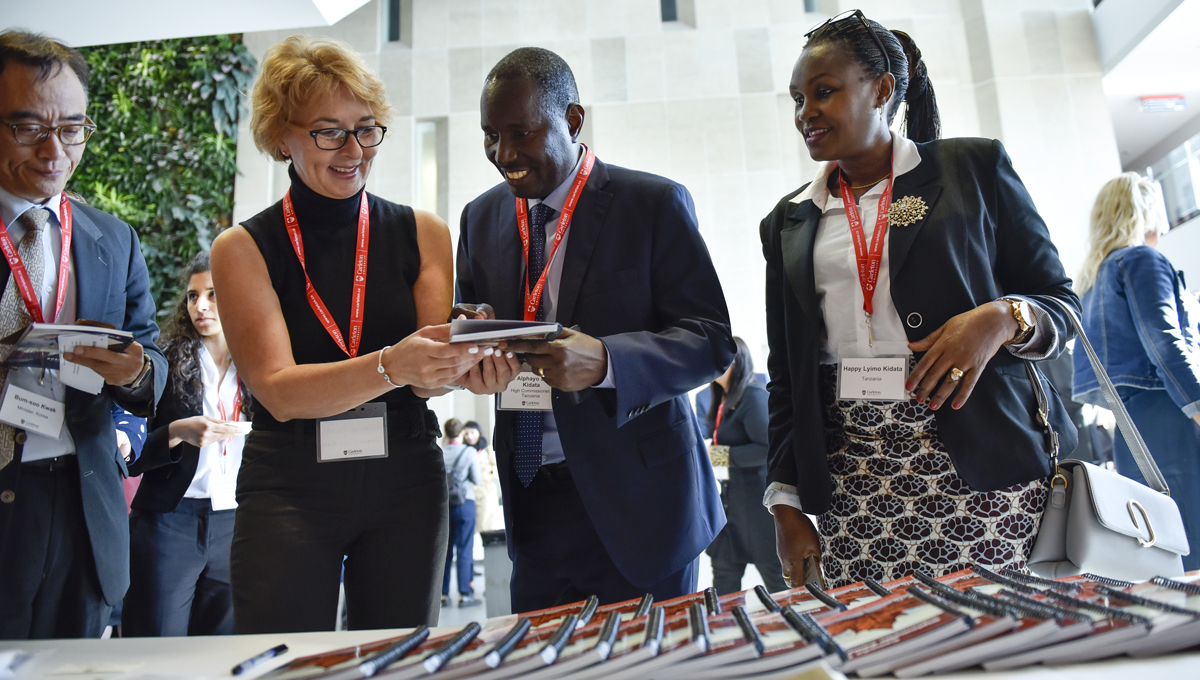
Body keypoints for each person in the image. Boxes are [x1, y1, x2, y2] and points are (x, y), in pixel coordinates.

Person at [761, 12, 1079, 589]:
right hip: (853, 480)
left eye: (824, 92)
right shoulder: (788, 220)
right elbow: (785, 373)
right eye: (798, 99)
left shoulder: (973, 169)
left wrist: (1000, 318)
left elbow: (1060, 303)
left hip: (983, 470)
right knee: (875, 645)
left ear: (882, 90)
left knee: (995, 643)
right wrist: (785, 504)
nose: (806, 112)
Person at [209, 35, 514, 633]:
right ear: (281, 136)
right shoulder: (242, 247)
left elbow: (430, 383)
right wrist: (391, 367)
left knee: (400, 656)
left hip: (404, 471)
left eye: (366, 128)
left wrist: (474, 360)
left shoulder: (423, 232)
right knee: (287, 662)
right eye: (328, 131)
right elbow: (278, 389)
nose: (353, 150)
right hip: (290, 481)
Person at [456, 47, 734, 611]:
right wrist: (472, 347)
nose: (503, 154)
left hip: (643, 511)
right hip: (532, 506)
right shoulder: (479, 217)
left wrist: (609, 362)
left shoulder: (651, 203)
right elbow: (470, 320)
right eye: (490, 136)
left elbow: (711, 341)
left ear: (574, 121)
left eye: (520, 133)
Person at [0, 30, 166, 639]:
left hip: (82, 500)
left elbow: (150, 351)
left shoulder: (110, 238)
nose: (55, 150)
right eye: (28, 128)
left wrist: (137, 372)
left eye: (72, 129)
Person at [1072, 172, 1200, 571]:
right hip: (1169, 409)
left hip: (1130, 425)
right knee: (1191, 533)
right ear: (1143, 211)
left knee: (1161, 541)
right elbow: (1164, 339)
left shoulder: (1094, 278)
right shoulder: (1142, 260)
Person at [122, 252, 251, 636]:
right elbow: (131, 452)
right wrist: (177, 431)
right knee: (155, 640)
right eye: (193, 296)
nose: (201, 306)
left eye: (213, 294)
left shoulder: (260, 362)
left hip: (237, 520)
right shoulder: (165, 360)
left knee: (220, 644)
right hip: (169, 520)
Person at [704, 337, 787, 596]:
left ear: (735, 362)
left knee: (777, 582)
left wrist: (718, 455)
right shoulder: (722, 397)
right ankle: (723, 631)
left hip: (756, 506)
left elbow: (766, 449)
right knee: (723, 579)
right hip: (730, 503)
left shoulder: (753, 396)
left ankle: (798, 628)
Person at [441, 418, 481, 607]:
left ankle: (442, 594)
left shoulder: (439, 452)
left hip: (443, 506)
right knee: (465, 548)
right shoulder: (469, 452)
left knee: (444, 550)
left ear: (445, 432)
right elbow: (477, 479)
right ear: (461, 433)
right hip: (465, 504)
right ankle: (465, 594)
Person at [463, 420, 502, 533]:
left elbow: (499, 468)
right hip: (469, 492)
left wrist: (489, 469)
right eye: (466, 434)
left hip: (486, 491)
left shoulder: (487, 449)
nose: (469, 436)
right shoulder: (464, 451)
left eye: (472, 432)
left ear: (479, 432)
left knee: (486, 525)